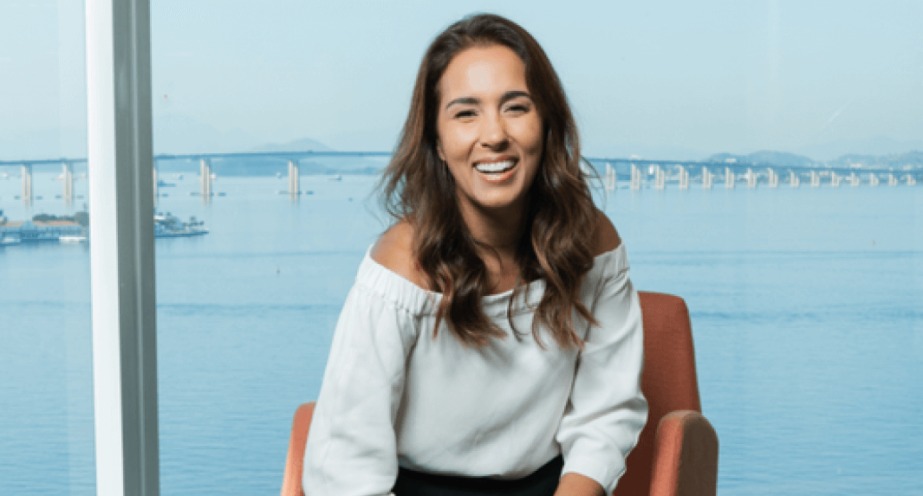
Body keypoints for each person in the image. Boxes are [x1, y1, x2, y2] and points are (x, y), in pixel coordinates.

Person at [303, 13, 646, 496]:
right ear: (438, 143)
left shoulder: (592, 243)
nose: (494, 135)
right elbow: (345, 468)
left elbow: (606, 414)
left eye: (516, 107)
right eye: (466, 113)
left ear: (547, 124)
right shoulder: (400, 268)